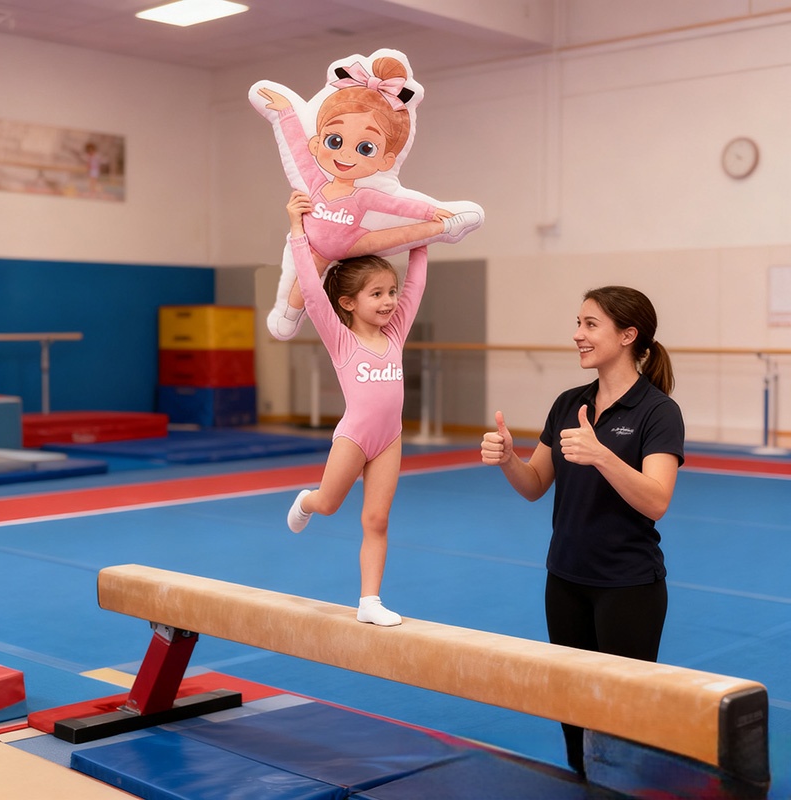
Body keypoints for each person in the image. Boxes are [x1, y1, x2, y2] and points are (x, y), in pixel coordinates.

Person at [480, 285, 684, 777]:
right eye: (578, 323)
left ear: (628, 335)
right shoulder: (569, 402)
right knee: (573, 711)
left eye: (590, 325)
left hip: (627, 587)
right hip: (565, 581)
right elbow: (534, 485)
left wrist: (600, 454)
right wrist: (509, 459)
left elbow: (656, 500)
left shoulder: (658, 412)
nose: (577, 335)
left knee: (623, 714)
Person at [256, 54, 480, 340]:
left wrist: (428, 212)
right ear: (317, 142)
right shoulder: (313, 179)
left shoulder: (364, 195)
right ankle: (288, 313)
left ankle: (445, 227)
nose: (346, 155)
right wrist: (285, 111)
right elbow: (297, 146)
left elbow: (394, 204)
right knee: (306, 281)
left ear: (385, 161)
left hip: (354, 239)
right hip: (319, 249)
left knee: (399, 235)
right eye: (334, 142)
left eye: (365, 149)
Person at [283, 189, 429, 626]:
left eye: (391, 292)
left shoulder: (396, 332)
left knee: (377, 518)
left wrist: (425, 233)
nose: (389, 301)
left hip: (389, 439)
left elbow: (417, 285)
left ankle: (370, 601)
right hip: (354, 436)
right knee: (330, 504)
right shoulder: (341, 338)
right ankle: (306, 500)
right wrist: (296, 230)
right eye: (377, 295)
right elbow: (311, 291)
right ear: (348, 303)